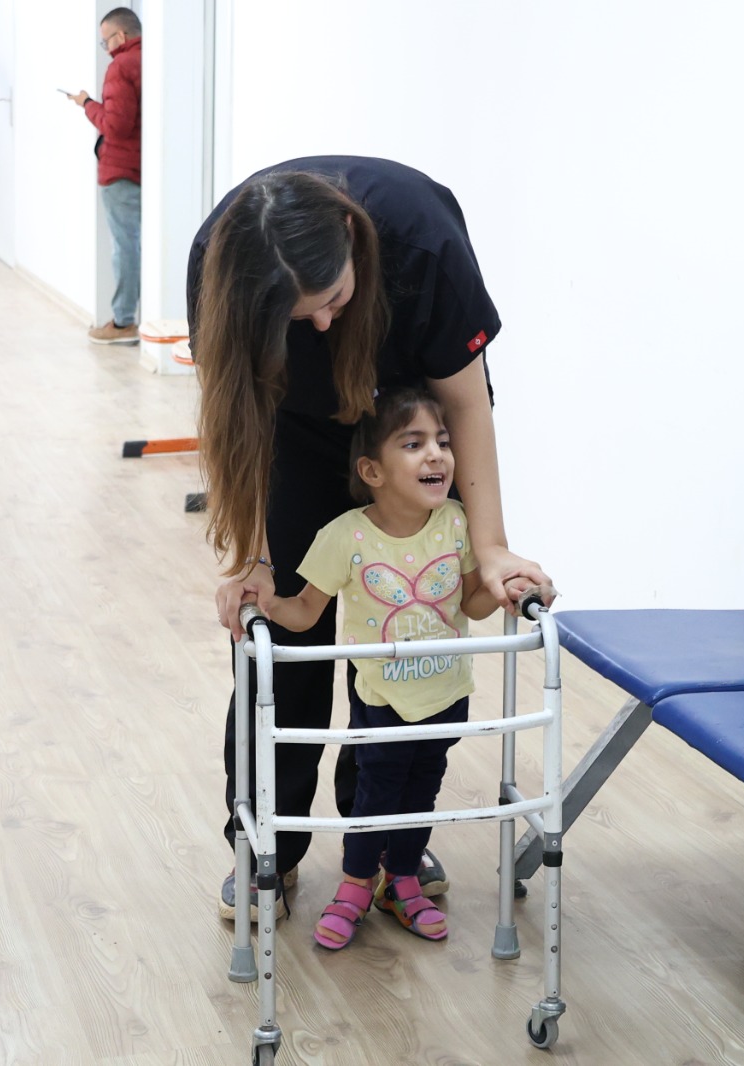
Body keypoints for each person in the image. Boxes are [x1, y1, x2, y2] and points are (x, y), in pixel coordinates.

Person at [188, 156, 553, 921]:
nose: (322, 325)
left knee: (406, 634)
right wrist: (254, 557)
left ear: (352, 242)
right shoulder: (220, 266)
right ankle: (267, 846)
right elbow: (237, 417)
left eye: (332, 300)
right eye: (298, 316)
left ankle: (386, 842)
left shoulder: (422, 242)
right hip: (292, 434)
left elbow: (467, 403)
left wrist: (490, 547)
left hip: (401, 424)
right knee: (282, 640)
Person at [261, 389, 536, 948]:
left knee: (422, 790)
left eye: (442, 441)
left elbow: (470, 603)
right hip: (383, 697)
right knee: (376, 793)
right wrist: (262, 607)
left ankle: (403, 881)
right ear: (373, 471)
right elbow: (306, 611)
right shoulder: (346, 535)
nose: (436, 454)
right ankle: (355, 885)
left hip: (446, 693)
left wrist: (504, 586)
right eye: (413, 444)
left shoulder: (456, 522)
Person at [68, 8, 142, 345]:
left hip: (120, 171)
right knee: (134, 244)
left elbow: (116, 125)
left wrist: (87, 104)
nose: (106, 48)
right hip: (139, 168)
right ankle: (135, 318)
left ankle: (124, 322)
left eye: (106, 41)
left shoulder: (120, 66)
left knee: (124, 247)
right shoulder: (151, 60)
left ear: (120, 36)